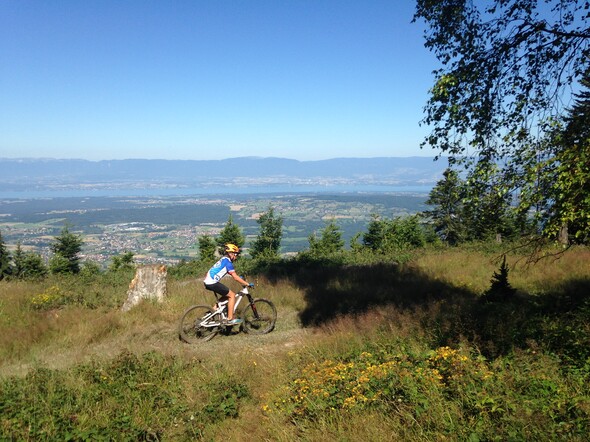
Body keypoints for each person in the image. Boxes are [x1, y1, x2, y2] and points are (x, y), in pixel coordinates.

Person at [203, 243, 251, 325]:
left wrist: (240, 278)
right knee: (232, 295)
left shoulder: (223, 259)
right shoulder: (228, 263)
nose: (236, 257)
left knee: (225, 297)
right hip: (212, 282)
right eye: (236, 254)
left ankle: (211, 312)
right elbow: (235, 277)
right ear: (231, 253)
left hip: (208, 282)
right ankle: (230, 319)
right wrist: (247, 284)